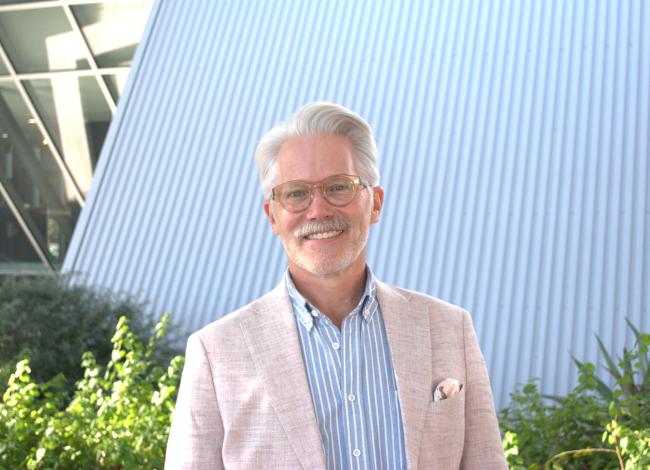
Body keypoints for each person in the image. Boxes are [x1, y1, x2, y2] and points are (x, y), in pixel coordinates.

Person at [165, 102, 507, 469]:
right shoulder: (217, 354)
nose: (318, 210)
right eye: (296, 193)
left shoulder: (449, 328)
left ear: (374, 204)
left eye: (338, 187)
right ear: (273, 216)